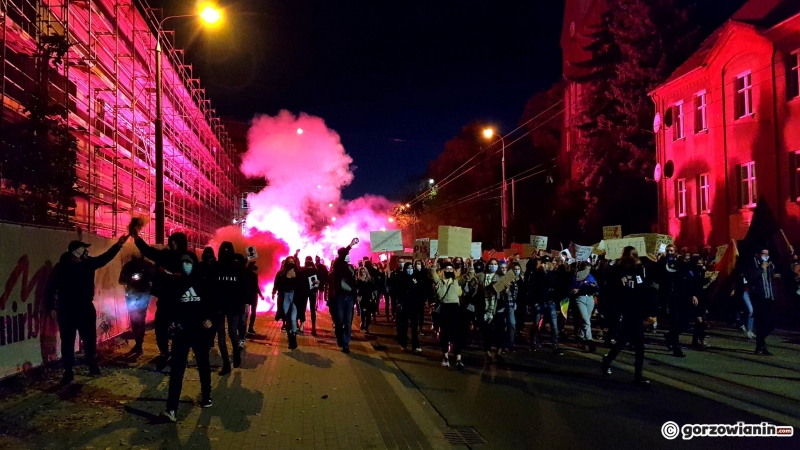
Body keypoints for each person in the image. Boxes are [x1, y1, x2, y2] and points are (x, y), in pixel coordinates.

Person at [45, 236, 127, 384]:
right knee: (67, 342)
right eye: (84, 249)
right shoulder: (62, 267)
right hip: (67, 309)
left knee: (89, 339)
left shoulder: (87, 264)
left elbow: (105, 258)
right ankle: (68, 372)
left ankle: (91, 363)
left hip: (84, 308)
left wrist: (119, 245)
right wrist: (50, 306)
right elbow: (50, 287)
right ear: (77, 252)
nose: (87, 251)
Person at [162, 253, 214, 423]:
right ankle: (171, 409)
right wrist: (170, 324)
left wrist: (210, 320)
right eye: (183, 262)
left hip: (199, 332)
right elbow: (168, 308)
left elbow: (212, 304)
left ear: (194, 264)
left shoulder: (203, 282)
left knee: (203, 365)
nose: (186, 265)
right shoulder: (175, 284)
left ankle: (206, 396)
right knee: (177, 370)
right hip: (182, 332)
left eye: (189, 262)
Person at [133, 231, 189, 370]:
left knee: (179, 331)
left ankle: (177, 356)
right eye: (172, 241)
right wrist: (137, 239)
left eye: (175, 242)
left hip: (181, 302)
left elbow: (192, 277)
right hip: (165, 300)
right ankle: (164, 352)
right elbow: (149, 251)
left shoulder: (187, 258)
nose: (173, 244)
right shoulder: (165, 255)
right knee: (160, 330)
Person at [602, 246, 655, 385]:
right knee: (630, 343)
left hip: (637, 310)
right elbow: (608, 280)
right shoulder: (618, 270)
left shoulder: (640, 270)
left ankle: (610, 362)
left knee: (631, 343)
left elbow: (645, 289)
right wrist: (619, 277)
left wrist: (649, 312)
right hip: (626, 310)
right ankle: (635, 375)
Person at [658, 244, 699, 357]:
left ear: (676, 252)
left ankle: (670, 336)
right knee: (674, 322)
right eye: (667, 251)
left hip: (683, 297)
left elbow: (691, 280)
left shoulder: (681, 264)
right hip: (670, 298)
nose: (669, 253)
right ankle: (676, 347)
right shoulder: (662, 264)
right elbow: (657, 277)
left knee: (684, 322)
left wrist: (694, 294)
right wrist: (660, 261)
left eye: (671, 251)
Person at [213, 242, 245, 373]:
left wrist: (244, 304)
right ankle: (226, 363)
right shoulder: (216, 266)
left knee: (231, 333)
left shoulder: (237, 267)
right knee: (222, 334)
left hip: (231, 305)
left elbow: (243, 287)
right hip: (221, 306)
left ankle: (236, 352)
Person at [742, 247, 779, 355]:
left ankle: (760, 341)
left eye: (767, 254)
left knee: (772, 323)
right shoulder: (753, 264)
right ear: (757, 254)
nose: (765, 256)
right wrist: (760, 269)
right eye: (763, 254)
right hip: (759, 297)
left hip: (769, 296)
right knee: (761, 322)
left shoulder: (770, 264)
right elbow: (750, 277)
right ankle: (760, 346)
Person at [432, 261, 467, 369]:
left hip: (455, 309)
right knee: (444, 334)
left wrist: (470, 264)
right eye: (447, 269)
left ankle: (458, 359)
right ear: (443, 271)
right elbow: (432, 271)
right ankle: (445, 357)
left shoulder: (457, 281)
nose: (449, 270)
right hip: (444, 309)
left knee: (457, 334)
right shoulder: (439, 281)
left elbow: (469, 276)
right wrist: (436, 259)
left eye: (451, 269)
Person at [118, 253, 155, 355]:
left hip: (142, 294)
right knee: (135, 319)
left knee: (139, 319)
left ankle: (139, 344)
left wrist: (145, 275)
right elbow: (121, 281)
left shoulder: (146, 265)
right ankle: (138, 344)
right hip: (132, 294)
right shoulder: (129, 265)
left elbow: (154, 278)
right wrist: (131, 278)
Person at [530, 256, 563, 355]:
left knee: (554, 326)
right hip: (539, 303)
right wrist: (533, 303)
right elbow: (532, 289)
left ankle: (555, 345)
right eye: (544, 262)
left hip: (550, 303)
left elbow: (554, 285)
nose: (546, 265)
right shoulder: (536, 274)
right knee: (536, 324)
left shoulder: (553, 274)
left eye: (548, 263)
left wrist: (546, 274)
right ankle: (533, 342)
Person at [331, 239, 358, 353]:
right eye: (346, 254)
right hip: (340, 297)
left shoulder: (351, 267)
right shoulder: (338, 265)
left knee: (348, 322)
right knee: (339, 320)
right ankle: (340, 338)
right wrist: (350, 245)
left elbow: (354, 283)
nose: (348, 256)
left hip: (349, 297)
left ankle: (345, 343)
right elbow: (342, 256)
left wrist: (356, 296)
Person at [274, 255, 304, 350]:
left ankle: (294, 337)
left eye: (292, 261)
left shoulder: (299, 273)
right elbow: (277, 284)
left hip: (294, 297)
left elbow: (303, 285)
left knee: (293, 318)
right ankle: (289, 337)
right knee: (287, 318)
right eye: (289, 261)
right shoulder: (282, 274)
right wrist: (274, 292)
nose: (291, 263)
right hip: (285, 296)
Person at [395, 262, 425, 351]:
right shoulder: (401, 279)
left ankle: (415, 345)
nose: (410, 269)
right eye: (408, 268)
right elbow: (398, 292)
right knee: (404, 326)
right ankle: (404, 344)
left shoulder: (417, 278)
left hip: (414, 306)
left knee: (414, 327)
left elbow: (421, 291)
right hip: (405, 306)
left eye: (411, 268)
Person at [570, 262, 598, 353]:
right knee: (586, 320)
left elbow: (597, 287)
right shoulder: (576, 276)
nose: (588, 271)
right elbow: (572, 287)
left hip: (589, 298)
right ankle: (589, 341)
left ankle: (580, 336)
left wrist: (594, 286)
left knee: (585, 320)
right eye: (586, 269)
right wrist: (578, 289)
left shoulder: (590, 276)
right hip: (580, 299)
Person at [297, 256, 319, 334]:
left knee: (302, 308)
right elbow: (318, 282)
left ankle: (302, 325)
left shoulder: (302, 270)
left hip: (304, 292)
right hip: (312, 292)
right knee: (312, 309)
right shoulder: (315, 271)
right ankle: (313, 327)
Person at [241, 261, 264, 336]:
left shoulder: (244, 274)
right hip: (253, 295)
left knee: (246, 312)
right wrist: (260, 295)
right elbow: (256, 286)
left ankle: (244, 328)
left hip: (248, 295)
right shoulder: (253, 275)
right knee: (252, 312)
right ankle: (250, 327)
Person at [356, 267, 376, 334]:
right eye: (361, 272)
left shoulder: (370, 279)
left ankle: (367, 326)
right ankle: (362, 323)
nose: (363, 273)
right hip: (362, 298)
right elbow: (357, 288)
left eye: (364, 271)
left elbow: (373, 288)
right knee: (363, 312)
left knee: (368, 313)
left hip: (369, 297)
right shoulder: (359, 280)